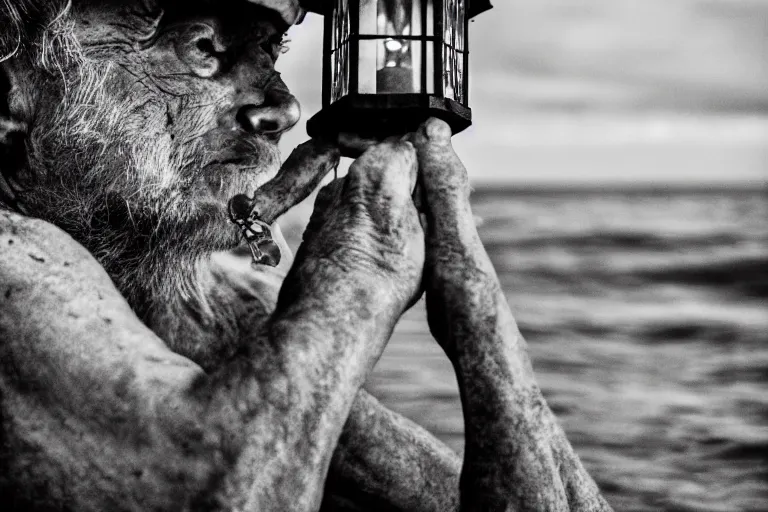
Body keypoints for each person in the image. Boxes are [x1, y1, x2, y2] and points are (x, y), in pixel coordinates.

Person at [0, 0, 613, 510]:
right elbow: (225, 496)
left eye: (269, 49)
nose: (283, 107)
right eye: (203, 47)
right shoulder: (15, 257)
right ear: (12, 90)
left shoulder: (199, 299)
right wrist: (355, 281)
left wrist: (473, 302)